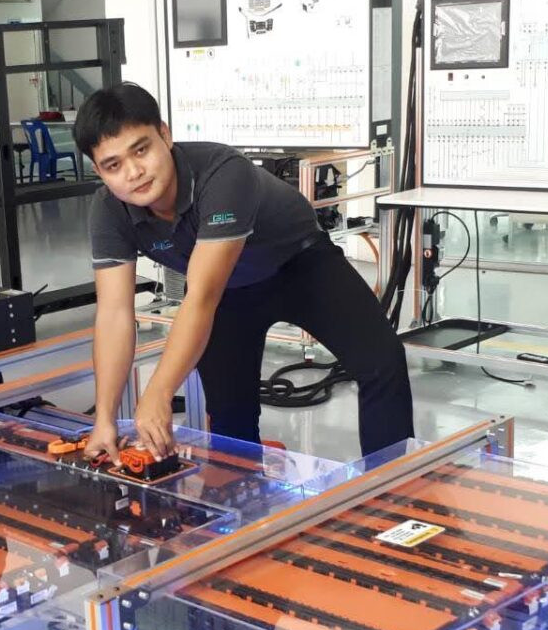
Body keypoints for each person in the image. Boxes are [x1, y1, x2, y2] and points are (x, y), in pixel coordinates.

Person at [75, 83, 414, 463]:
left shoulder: (222, 174)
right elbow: (114, 313)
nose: (134, 172)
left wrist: (157, 394)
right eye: (114, 165)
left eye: (141, 150)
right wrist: (104, 419)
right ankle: (240, 492)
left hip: (300, 265)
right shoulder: (109, 210)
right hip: (229, 291)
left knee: (382, 362)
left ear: (165, 135)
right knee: (229, 409)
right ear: (99, 171)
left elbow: (201, 297)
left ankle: (392, 482)